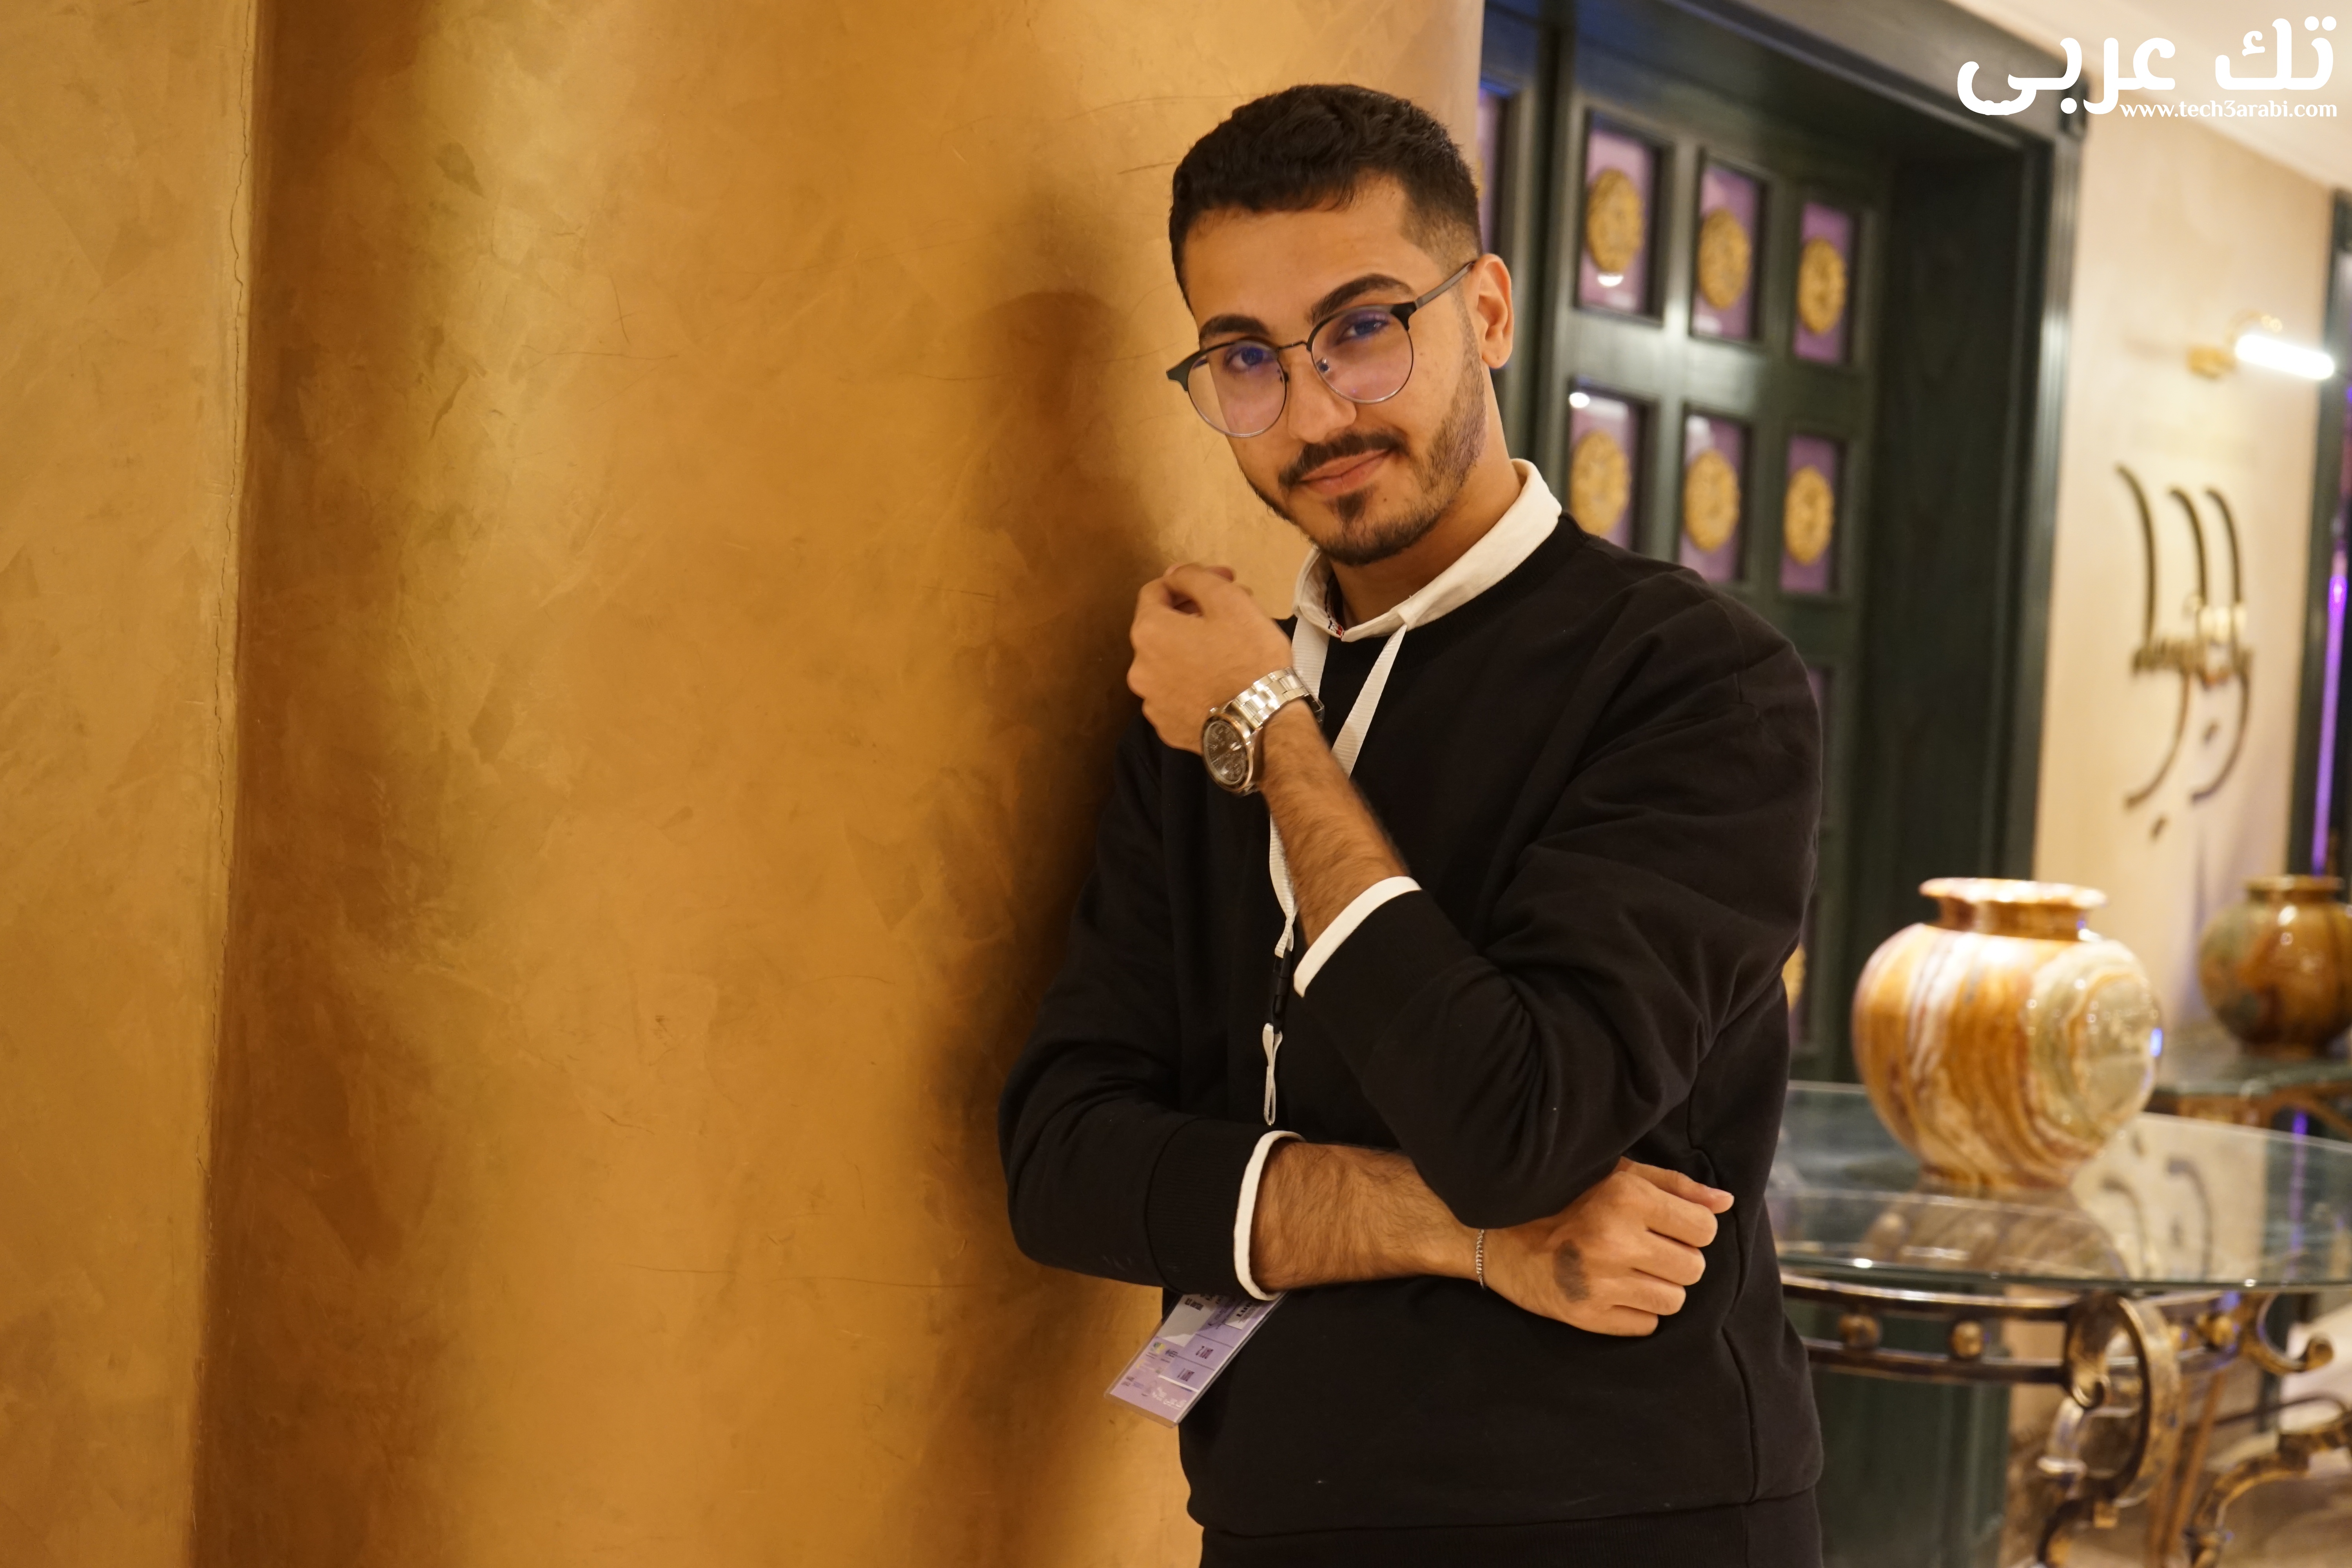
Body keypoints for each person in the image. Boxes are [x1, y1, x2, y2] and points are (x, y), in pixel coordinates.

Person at [998, 83, 1823, 1567]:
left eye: (1365, 328)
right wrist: (1462, 1239)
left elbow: (1518, 1126)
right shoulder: (1206, 697)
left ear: (1486, 311)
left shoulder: (1696, 682)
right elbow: (1064, 1163)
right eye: (1247, 359)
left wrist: (1278, 744)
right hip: (1273, 1510)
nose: (1315, 412)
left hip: (1622, 1519)